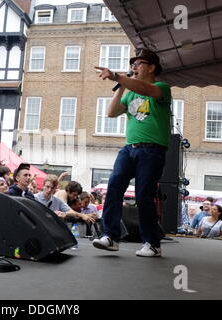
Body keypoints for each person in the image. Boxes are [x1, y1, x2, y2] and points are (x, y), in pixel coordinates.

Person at [92, 48, 172, 257]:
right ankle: (110, 236)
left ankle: (152, 243)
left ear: (152, 67)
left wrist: (118, 77)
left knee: (143, 195)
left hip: (152, 149)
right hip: (130, 148)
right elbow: (111, 113)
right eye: (132, 65)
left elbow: (148, 90)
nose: (133, 68)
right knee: (114, 186)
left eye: (138, 64)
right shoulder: (131, 92)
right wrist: (119, 86)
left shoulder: (162, 87)